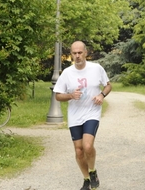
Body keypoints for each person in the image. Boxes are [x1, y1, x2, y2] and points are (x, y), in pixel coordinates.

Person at [53, 41, 111, 190]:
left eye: (80, 53)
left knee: (87, 146)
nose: (77, 56)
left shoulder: (96, 68)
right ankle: (86, 179)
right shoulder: (67, 73)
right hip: (75, 114)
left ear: (86, 53)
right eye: (74, 53)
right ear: (71, 54)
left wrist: (102, 95)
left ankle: (92, 171)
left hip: (92, 111)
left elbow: (108, 85)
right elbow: (58, 96)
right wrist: (71, 95)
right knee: (79, 150)